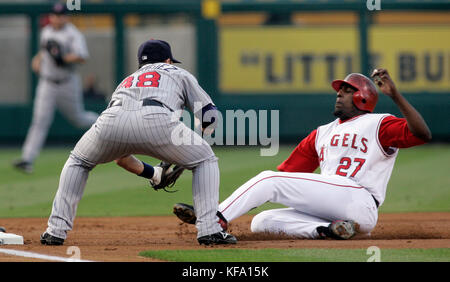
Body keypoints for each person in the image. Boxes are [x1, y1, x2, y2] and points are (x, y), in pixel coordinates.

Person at [173, 68, 432, 240]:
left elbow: (422, 134)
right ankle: (328, 232)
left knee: (267, 179)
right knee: (261, 221)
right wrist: (267, 189)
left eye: (347, 90)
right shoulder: (321, 133)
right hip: (337, 212)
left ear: (363, 97)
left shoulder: (379, 123)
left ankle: (214, 218)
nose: (339, 93)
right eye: (339, 90)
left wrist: (396, 95)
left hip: (359, 197)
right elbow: (287, 176)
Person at [39, 38, 237, 246]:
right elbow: (210, 116)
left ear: (141, 64)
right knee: (205, 160)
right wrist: (198, 140)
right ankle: (209, 230)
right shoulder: (178, 73)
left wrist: (154, 174)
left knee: (78, 162)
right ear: (168, 60)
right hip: (157, 118)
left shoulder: (128, 80)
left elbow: (120, 157)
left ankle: (55, 232)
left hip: (111, 120)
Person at [13, 2, 98, 174]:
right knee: (39, 121)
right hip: (47, 83)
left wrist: (64, 58)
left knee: (78, 119)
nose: (57, 18)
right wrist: (38, 59)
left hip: (67, 82)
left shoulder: (73, 34)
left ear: (66, 16)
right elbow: (45, 51)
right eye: (54, 15)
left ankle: (103, 123)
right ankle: (27, 159)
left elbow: (82, 57)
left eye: (60, 15)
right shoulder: (47, 31)